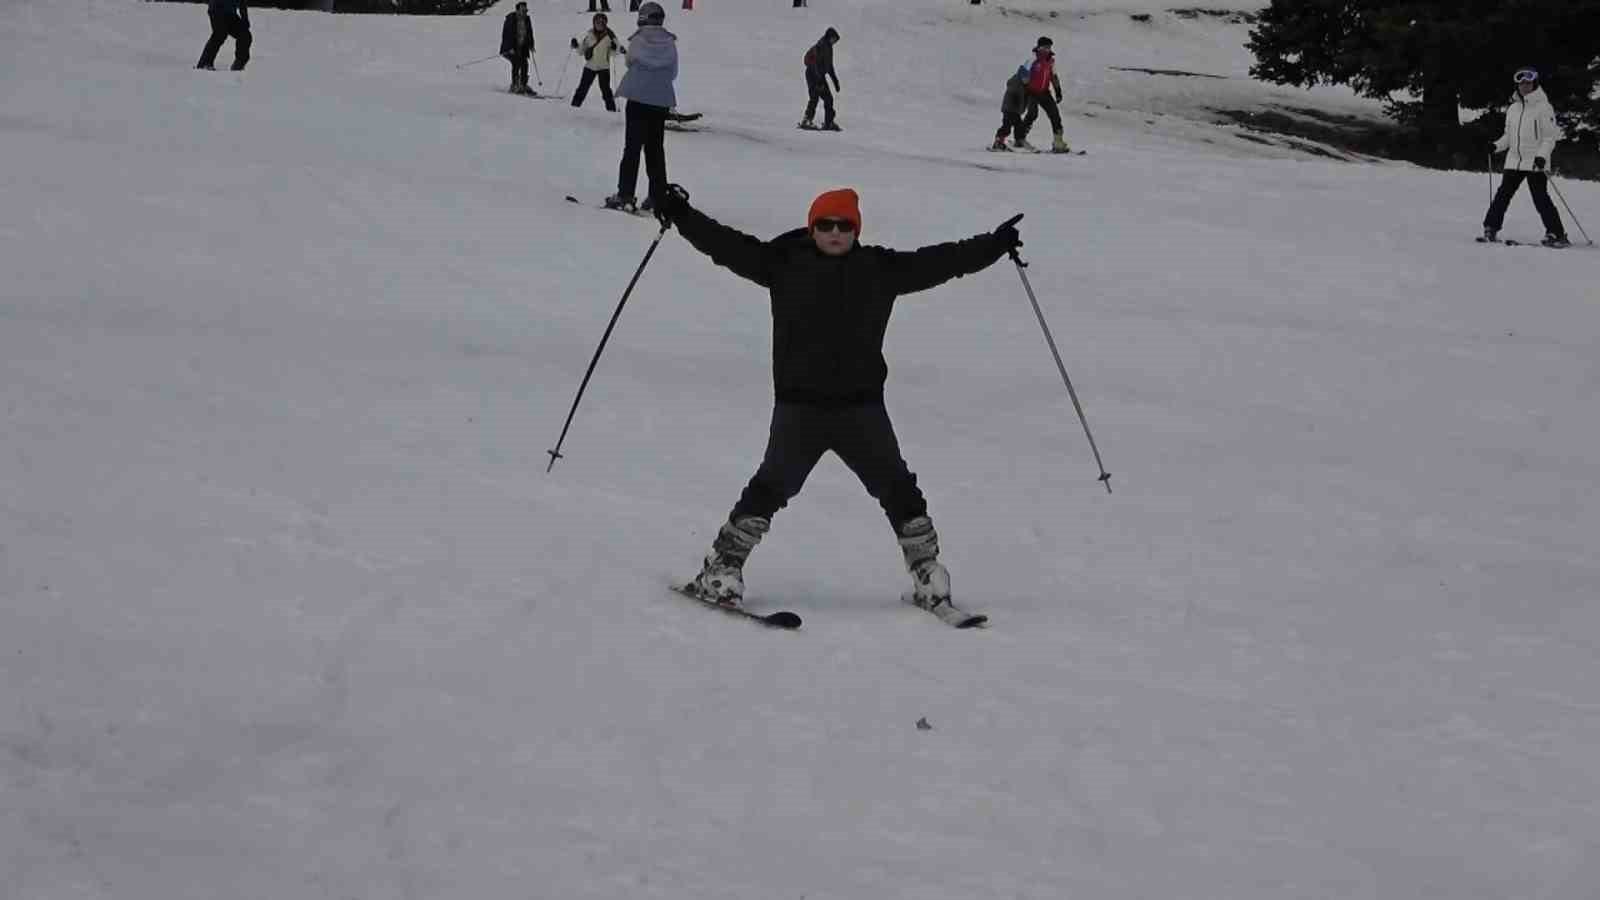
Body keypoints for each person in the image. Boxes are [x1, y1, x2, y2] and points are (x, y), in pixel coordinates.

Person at [649, 183, 1024, 622]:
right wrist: (680, 214)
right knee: (771, 487)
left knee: (898, 488)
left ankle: (926, 574)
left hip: (861, 410)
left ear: (855, 231)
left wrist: (995, 245)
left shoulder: (879, 269)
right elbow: (725, 245)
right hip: (799, 409)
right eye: (825, 224)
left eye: (844, 226)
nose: (834, 233)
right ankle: (722, 568)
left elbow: (943, 261)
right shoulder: (782, 263)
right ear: (812, 227)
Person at [604, 2, 678, 213]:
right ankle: (657, 197)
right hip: (660, 101)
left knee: (632, 148)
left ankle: (626, 194)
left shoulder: (638, 40)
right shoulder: (670, 43)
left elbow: (629, 62)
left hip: (637, 98)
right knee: (655, 150)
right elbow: (673, 72)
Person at [1483, 67, 1568, 248]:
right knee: (1503, 195)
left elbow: (1549, 137)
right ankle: (1491, 227)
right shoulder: (1513, 108)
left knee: (1540, 198)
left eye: (1528, 83)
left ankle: (1557, 233)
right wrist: (1496, 146)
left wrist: (1541, 156)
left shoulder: (1544, 107)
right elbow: (1509, 136)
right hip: (1514, 160)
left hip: (1535, 162)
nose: (1524, 86)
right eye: (1521, 83)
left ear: (1534, 84)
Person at [1017, 37, 1069, 153]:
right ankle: (1020, 139)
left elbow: (1053, 77)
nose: (1047, 50)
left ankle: (1058, 142)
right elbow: (1023, 72)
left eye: (1049, 47)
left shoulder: (1051, 61)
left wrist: (1058, 91)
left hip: (1044, 92)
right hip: (1031, 92)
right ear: (1039, 47)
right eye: (1045, 47)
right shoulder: (1033, 58)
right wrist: (1025, 87)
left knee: (1055, 115)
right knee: (1032, 114)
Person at [570, 13, 622, 111]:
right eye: (597, 22)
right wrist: (576, 45)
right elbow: (581, 50)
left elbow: (615, 52)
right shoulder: (589, 34)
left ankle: (611, 111)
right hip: (590, 66)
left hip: (603, 68)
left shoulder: (609, 36)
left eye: (601, 23)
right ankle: (574, 107)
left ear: (605, 23)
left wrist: (615, 48)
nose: (599, 24)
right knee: (582, 88)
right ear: (594, 23)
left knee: (606, 91)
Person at [800, 28, 842, 131]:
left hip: (819, 76)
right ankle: (806, 120)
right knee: (814, 97)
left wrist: (835, 80)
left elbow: (829, 66)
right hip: (812, 74)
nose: (835, 42)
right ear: (829, 37)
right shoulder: (821, 46)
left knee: (828, 98)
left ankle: (829, 122)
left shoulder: (829, 47)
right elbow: (814, 64)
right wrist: (818, 81)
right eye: (834, 39)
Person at [196, 0, 251, 72]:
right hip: (217, 10)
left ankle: (239, 64)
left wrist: (245, 18)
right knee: (220, 34)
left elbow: (242, 2)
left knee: (245, 35)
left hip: (230, 14)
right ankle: (205, 63)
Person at [500, 2, 536, 95]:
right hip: (510, 48)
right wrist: (510, 47)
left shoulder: (527, 20)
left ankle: (523, 84)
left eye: (526, 10)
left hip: (522, 47)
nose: (524, 12)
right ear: (517, 10)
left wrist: (531, 45)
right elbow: (507, 34)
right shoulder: (511, 19)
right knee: (516, 62)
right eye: (522, 10)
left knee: (525, 64)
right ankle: (515, 85)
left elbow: (529, 33)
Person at [991, 65, 1030, 151]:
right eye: (1025, 78)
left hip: (1014, 110)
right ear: (1021, 76)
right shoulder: (1015, 82)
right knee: (1007, 126)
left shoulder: (1023, 84)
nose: (1026, 80)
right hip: (1009, 109)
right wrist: (1015, 99)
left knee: (1019, 126)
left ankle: (1019, 140)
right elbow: (1013, 91)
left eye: (1027, 79)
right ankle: (998, 141)